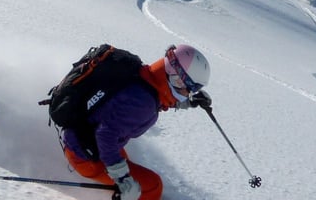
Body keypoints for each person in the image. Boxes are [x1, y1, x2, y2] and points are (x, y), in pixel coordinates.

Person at [60, 44, 212, 200]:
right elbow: (106, 135)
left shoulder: (147, 78)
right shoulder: (143, 103)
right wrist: (122, 179)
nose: (189, 93)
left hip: (85, 138)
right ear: (177, 79)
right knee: (152, 187)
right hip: (85, 155)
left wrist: (189, 102)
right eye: (191, 88)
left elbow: (160, 96)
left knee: (127, 166)